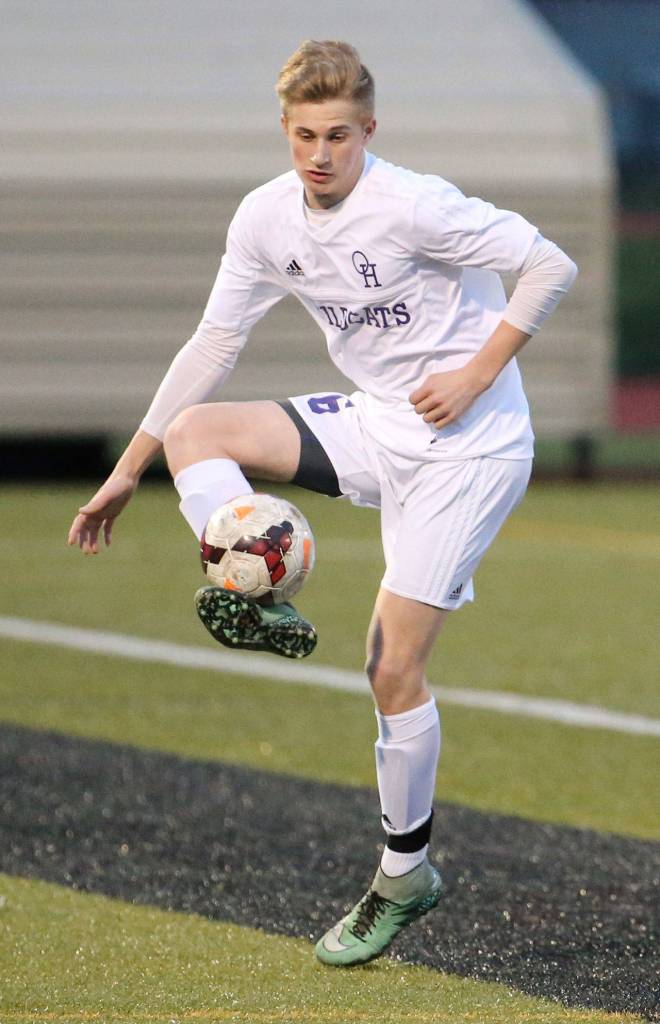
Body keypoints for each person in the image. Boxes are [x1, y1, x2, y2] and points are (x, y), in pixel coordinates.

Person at [68, 40, 577, 966]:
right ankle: (254, 577)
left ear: (367, 132)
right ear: (285, 131)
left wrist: (473, 375)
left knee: (389, 670)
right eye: (304, 134)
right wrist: (130, 466)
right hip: (380, 424)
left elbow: (550, 265)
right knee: (197, 434)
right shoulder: (268, 218)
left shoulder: (415, 205)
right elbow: (213, 343)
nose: (320, 153)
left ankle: (403, 875)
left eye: (339, 135)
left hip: (470, 448)